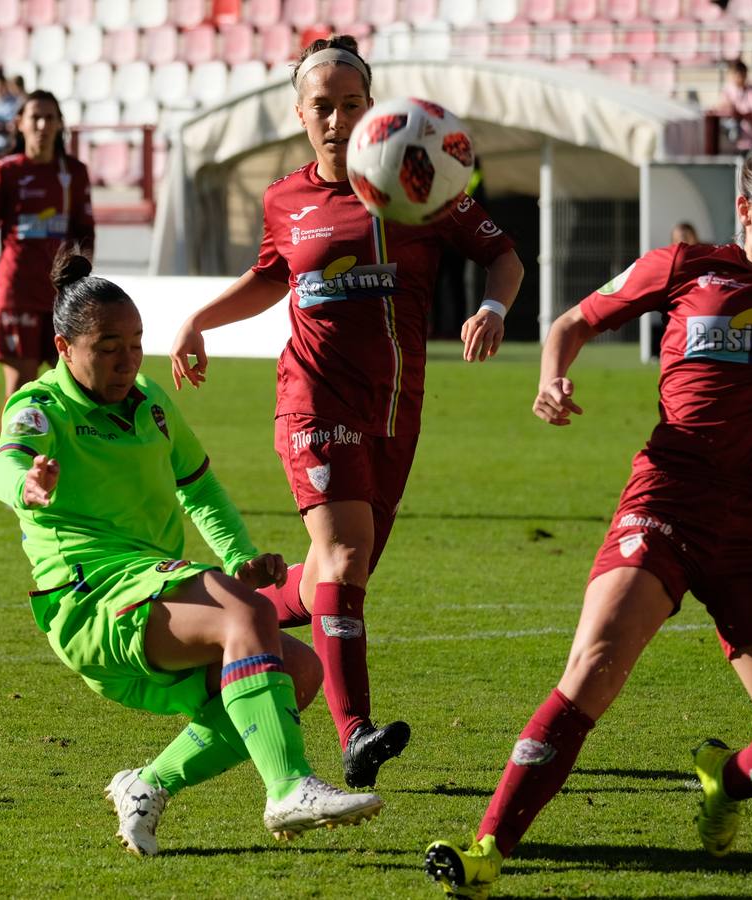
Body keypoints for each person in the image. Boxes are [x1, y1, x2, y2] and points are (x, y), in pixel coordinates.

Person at [424, 139, 752, 898]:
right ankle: (486, 847)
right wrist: (550, 380)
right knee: (594, 664)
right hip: (665, 499)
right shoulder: (684, 268)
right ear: (743, 210)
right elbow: (571, 322)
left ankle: (725, 780)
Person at [170, 35, 524, 790]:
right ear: (300, 114)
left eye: (351, 105)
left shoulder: (419, 187)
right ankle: (354, 731)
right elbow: (271, 275)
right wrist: (200, 319)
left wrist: (494, 306)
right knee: (343, 557)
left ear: (374, 111)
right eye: (321, 106)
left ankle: (238, 612)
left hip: (396, 405)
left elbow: (504, 256)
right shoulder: (285, 198)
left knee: (341, 572)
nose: (336, 119)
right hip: (311, 396)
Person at [0, 247, 383, 857]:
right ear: (65, 348)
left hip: (149, 587)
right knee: (248, 616)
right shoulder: (42, 406)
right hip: (89, 597)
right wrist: (27, 485)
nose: (127, 360)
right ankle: (287, 788)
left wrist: (239, 556)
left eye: (136, 343)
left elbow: (197, 485)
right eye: (108, 346)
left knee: (299, 672)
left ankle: (147, 784)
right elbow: (6, 462)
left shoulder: (149, 401)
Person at [0, 90, 95, 401]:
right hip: (17, 292)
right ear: (19, 123)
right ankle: (14, 451)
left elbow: (86, 234)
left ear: (60, 124)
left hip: (62, 292)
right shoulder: (3, 172)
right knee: (22, 392)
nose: (42, 125)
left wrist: (83, 287)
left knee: (74, 389)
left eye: (50, 118)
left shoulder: (74, 173)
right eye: (35, 117)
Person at [714, 59, 752, 153]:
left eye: (741, 74)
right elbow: (721, 108)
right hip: (731, 142)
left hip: (751, 140)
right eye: (735, 74)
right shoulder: (727, 91)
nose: (738, 78)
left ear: (745, 74)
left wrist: (742, 112)